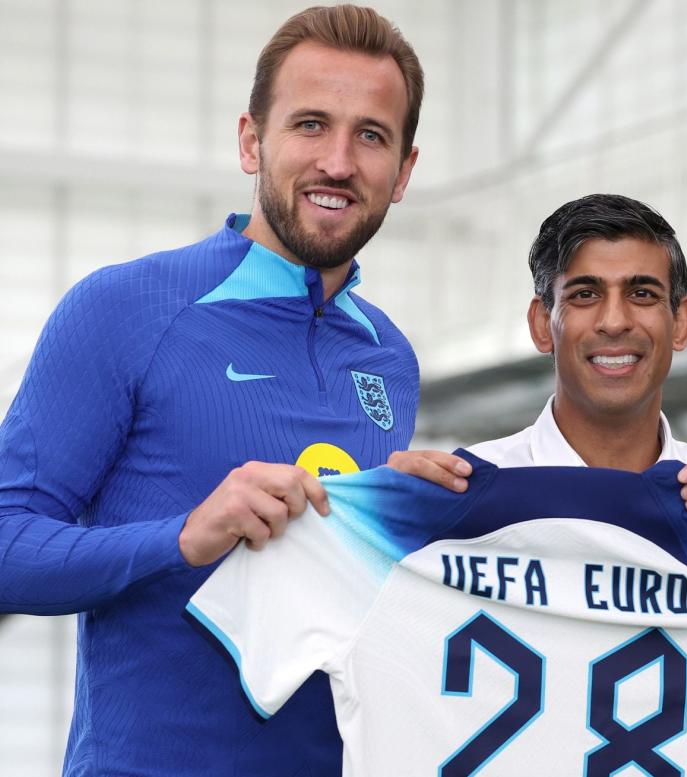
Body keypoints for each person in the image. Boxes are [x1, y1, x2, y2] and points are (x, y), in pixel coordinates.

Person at [0, 6, 424, 775]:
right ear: (250, 141)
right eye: (309, 124)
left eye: (370, 135)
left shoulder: (389, 357)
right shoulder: (124, 310)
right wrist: (180, 536)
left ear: (403, 172)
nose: (337, 160)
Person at [390, 193, 687, 520]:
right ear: (540, 324)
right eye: (585, 295)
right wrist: (383, 525)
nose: (615, 321)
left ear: (681, 323)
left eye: (642, 294)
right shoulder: (455, 495)